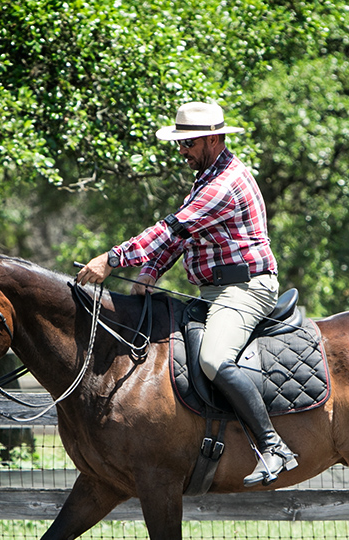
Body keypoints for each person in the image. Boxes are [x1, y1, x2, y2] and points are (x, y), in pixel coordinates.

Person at [76, 101, 297, 487]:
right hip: (216, 289)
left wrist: (113, 259)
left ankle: (273, 445)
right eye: (180, 142)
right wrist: (149, 274)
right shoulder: (206, 178)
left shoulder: (222, 184)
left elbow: (171, 229)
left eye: (189, 143)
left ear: (213, 139)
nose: (182, 150)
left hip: (246, 288)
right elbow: (182, 238)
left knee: (213, 358)